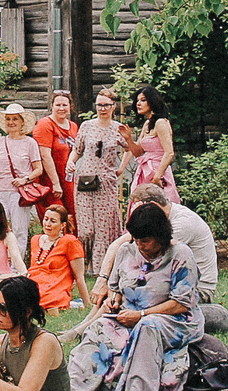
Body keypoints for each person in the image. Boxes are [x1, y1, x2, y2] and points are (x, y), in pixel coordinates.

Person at [70, 202, 203, 391]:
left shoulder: (180, 255)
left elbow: (181, 303)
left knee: (147, 327)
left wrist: (141, 315)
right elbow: (115, 288)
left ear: (160, 236)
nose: (140, 245)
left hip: (172, 318)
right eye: (136, 240)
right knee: (98, 328)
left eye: (145, 241)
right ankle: (75, 389)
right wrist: (114, 300)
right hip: (128, 314)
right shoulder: (126, 251)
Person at [114, 184, 220, 305]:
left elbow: (148, 260)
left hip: (197, 289)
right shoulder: (165, 219)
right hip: (168, 281)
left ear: (153, 205)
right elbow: (124, 246)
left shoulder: (182, 224)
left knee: (131, 292)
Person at [70, 87, 130, 271]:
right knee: (86, 227)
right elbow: (77, 150)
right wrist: (70, 163)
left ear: (113, 107)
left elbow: (130, 148)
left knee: (104, 227)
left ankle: (101, 267)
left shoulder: (118, 128)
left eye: (106, 105)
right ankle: (84, 265)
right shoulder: (86, 126)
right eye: (99, 105)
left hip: (106, 182)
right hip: (85, 180)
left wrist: (121, 168)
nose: (102, 109)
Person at [0, 103, 53, 245]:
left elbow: (38, 169)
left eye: (15, 119)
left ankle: (17, 259)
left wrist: (25, 179)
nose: (11, 122)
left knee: (19, 231)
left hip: (19, 193)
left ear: (22, 122)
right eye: (8, 119)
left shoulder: (30, 142)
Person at [24, 200, 86, 312]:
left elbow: (79, 277)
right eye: (46, 219)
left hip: (55, 287)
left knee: (43, 300)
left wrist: (88, 303)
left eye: (53, 221)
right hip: (33, 284)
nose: (47, 224)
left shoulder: (70, 241)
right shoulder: (35, 239)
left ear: (63, 225)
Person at [33, 90, 80, 234]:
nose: (61, 108)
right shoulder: (45, 124)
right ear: (52, 106)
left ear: (70, 107)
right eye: (58, 105)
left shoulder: (73, 126)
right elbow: (45, 155)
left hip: (68, 180)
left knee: (72, 217)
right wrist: (55, 183)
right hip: (50, 180)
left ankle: (71, 245)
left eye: (64, 105)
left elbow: (76, 151)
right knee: (55, 217)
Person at [128, 87, 178, 204]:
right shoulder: (147, 123)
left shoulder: (161, 122)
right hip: (145, 170)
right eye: (137, 100)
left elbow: (169, 152)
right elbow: (138, 152)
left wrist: (157, 176)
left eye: (143, 100)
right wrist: (128, 138)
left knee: (158, 205)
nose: (138, 104)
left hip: (158, 170)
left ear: (152, 101)